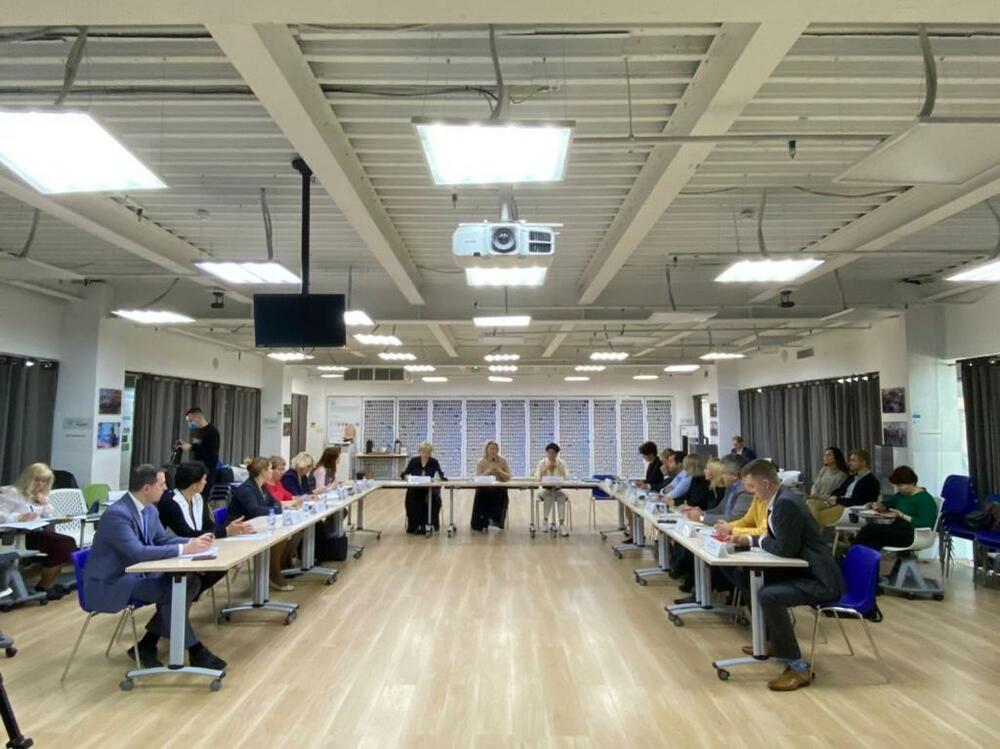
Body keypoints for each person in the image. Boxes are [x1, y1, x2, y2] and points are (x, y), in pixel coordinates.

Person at [84, 464, 226, 670]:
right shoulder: (117, 514)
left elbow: (162, 539)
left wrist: (194, 542)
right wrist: (184, 549)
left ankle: (148, 643)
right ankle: (195, 649)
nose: (166, 488)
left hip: (139, 574)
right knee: (173, 590)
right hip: (112, 582)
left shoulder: (149, 510)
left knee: (191, 582)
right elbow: (137, 552)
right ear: (146, 488)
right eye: (162, 484)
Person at [728, 459, 844, 691]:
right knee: (745, 578)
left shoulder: (785, 504)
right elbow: (776, 540)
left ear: (766, 483)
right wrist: (750, 540)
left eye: (752, 487)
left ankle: (799, 667)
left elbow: (784, 549)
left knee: (770, 595)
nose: (750, 493)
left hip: (820, 579)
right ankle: (774, 641)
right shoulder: (778, 500)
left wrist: (758, 541)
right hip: (803, 569)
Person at [157, 462, 254, 599]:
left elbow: (209, 527)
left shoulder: (199, 498)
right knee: (215, 567)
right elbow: (186, 533)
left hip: (198, 548)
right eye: (203, 479)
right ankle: (184, 597)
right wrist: (225, 531)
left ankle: (189, 595)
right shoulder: (169, 502)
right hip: (176, 551)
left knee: (224, 564)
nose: (205, 482)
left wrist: (225, 531)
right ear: (194, 483)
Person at [0, 463, 77, 599]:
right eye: (37, 480)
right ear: (28, 478)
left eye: (44, 481)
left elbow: (48, 516)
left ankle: (46, 585)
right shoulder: (12, 493)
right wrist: (18, 517)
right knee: (62, 544)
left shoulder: (40, 495)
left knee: (68, 543)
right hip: (17, 536)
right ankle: (44, 586)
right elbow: (1, 515)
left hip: (36, 531)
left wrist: (45, 504)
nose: (40, 484)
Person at [228, 457, 296, 592]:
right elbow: (255, 511)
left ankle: (278, 569)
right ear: (263, 471)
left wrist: (274, 508)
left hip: (257, 526)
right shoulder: (247, 489)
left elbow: (276, 503)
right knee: (277, 539)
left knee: (289, 534)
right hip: (240, 530)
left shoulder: (262, 487)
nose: (272, 471)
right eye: (270, 469)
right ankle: (274, 575)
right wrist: (274, 509)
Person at [854, 466, 938, 550]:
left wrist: (902, 515)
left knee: (869, 530)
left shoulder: (925, 499)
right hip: (897, 529)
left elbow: (926, 523)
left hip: (912, 534)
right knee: (871, 539)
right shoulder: (901, 495)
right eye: (897, 485)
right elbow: (889, 504)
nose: (898, 489)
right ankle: (860, 557)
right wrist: (880, 506)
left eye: (901, 485)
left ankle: (851, 555)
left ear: (912, 483)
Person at [812, 448, 882, 526]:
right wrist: (834, 496)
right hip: (839, 505)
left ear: (863, 463)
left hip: (850, 510)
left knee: (817, 515)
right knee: (811, 504)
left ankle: (814, 531)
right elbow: (839, 490)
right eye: (850, 460)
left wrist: (838, 500)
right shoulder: (852, 477)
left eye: (853, 460)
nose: (849, 463)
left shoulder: (871, 481)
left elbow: (858, 501)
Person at [623, 441, 665, 544]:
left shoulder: (659, 465)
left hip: (656, 495)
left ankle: (636, 534)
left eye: (644, 455)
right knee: (628, 505)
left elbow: (661, 483)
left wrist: (647, 485)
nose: (643, 457)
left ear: (651, 454)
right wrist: (643, 482)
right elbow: (650, 480)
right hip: (650, 493)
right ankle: (634, 532)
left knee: (634, 506)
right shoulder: (652, 464)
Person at [402, 442, 446, 534]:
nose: (425, 454)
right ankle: (414, 526)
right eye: (423, 452)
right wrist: (407, 477)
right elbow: (405, 474)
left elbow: (441, 476)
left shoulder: (434, 462)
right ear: (420, 452)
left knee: (434, 499)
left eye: (428, 452)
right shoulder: (414, 461)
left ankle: (427, 525)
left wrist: (437, 479)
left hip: (429, 489)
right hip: (415, 488)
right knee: (411, 498)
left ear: (430, 453)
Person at [471, 441, 511, 531]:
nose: (494, 451)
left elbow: (508, 477)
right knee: (482, 494)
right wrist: (488, 472)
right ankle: (481, 521)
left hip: (498, 488)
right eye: (491, 449)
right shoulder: (481, 462)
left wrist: (499, 471)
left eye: (496, 449)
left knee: (502, 494)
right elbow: (477, 478)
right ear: (487, 450)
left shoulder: (503, 461)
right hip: (485, 488)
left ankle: (496, 521)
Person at [177, 407, 221, 486]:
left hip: (207, 472)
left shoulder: (212, 432)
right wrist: (188, 446)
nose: (189, 424)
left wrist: (191, 447)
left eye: (190, 421)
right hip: (197, 469)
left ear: (197, 418)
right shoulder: (197, 431)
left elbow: (211, 453)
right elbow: (198, 446)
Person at [536, 442, 570, 536]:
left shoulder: (561, 463)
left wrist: (558, 467)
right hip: (545, 490)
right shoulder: (542, 462)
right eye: (549, 452)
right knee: (548, 496)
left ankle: (561, 524)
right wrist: (547, 467)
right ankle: (545, 521)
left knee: (562, 497)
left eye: (553, 453)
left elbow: (566, 477)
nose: (550, 455)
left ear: (556, 454)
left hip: (558, 490)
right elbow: (538, 477)